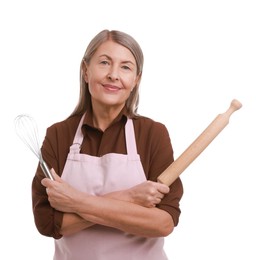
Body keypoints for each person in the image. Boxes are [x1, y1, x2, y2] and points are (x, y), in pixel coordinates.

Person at [32, 29, 183, 260]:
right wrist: (130, 198)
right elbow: (49, 223)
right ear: (85, 71)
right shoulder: (59, 135)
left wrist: (76, 201)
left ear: (136, 80)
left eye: (125, 67)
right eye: (104, 62)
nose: (114, 75)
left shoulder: (153, 134)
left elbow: (163, 222)